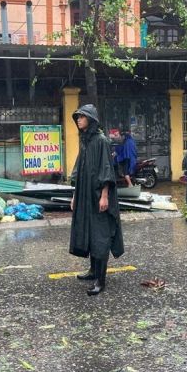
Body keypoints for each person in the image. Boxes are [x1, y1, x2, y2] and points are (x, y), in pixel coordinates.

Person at [69, 104, 125, 296]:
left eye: (82, 117)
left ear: (91, 119)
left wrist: (104, 196)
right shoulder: (85, 141)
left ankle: (100, 281)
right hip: (85, 196)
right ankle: (93, 271)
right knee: (89, 233)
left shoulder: (102, 141)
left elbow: (106, 170)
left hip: (99, 196)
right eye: (77, 117)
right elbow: (79, 171)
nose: (78, 119)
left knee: (100, 235)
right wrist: (75, 195)